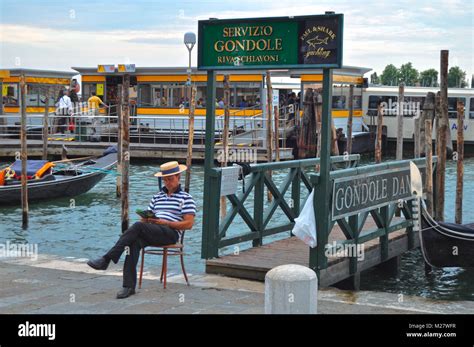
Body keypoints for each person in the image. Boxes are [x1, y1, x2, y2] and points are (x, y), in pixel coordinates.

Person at [87, 161, 197, 299]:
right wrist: (146, 219)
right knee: (133, 242)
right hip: (154, 229)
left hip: (170, 233)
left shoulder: (186, 198)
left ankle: (106, 259)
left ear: (178, 177)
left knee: (138, 227)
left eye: (170, 179)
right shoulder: (157, 197)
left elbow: (189, 224)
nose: (167, 183)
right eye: (165, 180)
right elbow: (145, 220)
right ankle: (128, 287)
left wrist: (166, 222)